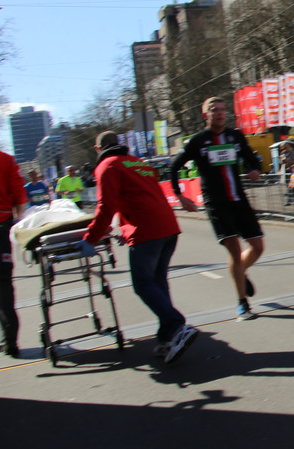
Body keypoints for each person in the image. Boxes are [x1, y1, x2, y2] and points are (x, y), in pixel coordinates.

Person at [84, 131, 198, 365]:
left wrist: (90, 239)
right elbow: (139, 197)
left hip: (146, 231)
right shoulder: (138, 163)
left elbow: (106, 206)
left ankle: (177, 327)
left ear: (98, 148)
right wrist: (121, 227)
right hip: (168, 227)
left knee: (144, 284)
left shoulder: (107, 166)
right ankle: (167, 339)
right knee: (158, 283)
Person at [170, 96, 265, 321]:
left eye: (222, 109)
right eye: (214, 110)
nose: (220, 113)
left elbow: (252, 158)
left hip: (239, 200)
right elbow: (174, 167)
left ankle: (240, 272)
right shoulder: (197, 141)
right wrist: (180, 196)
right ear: (206, 115)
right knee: (234, 250)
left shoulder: (235, 136)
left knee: (258, 247)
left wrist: (254, 169)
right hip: (216, 203)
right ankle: (242, 304)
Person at [0, 124, 27, 357]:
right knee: (2, 284)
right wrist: (17, 220)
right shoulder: (4, 160)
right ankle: (10, 341)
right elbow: (19, 194)